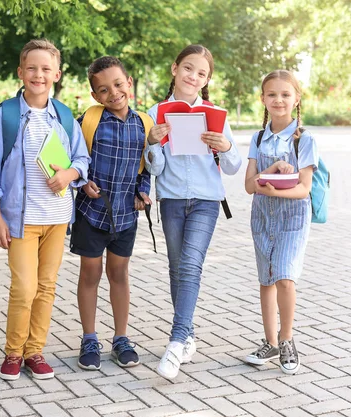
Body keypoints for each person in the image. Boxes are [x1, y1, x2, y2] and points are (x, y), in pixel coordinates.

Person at [0, 39, 90, 381]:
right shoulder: (7, 116)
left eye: (46, 69)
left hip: (57, 220)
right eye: (32, 68)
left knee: (46, 287)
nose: (38, 75)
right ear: (20, 72)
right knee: (24, 287)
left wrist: (69, 174)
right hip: (20, 221)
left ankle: (35, 352)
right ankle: (13, 352)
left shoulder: (65, 116)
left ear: (56, 74)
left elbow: (82, 159)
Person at [143, 44, 242, 379]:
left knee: (190, 265)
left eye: (202, 73)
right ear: (175, 69)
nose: (193, 77)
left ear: (207, 79)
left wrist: (225, 146)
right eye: (188, 68)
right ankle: (187, 335)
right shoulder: (155, 112)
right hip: (170, 199)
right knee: (176, 269)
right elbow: (154, 170)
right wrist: (153, 143)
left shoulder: (216, 114)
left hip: (205, 200)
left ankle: (175, 342)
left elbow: (232, 167)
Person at [72, 56, 152, 371]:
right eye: (103, 90)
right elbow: (75, 158)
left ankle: (121, 338)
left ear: (128, 82)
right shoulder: (89, 120)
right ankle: (89, 338)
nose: (113, 93)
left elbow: (145, 166)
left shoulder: (143, 123)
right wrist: (81, 182)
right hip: (90, 213)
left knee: (119, 275)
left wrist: (142, 192)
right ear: (95, 95)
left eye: (118, 84)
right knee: (90, 275)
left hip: (125, 217)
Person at [244, 70, 317, 375]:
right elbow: (249, 185)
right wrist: (272, 170)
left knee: (285, 277)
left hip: (293, 218)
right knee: (266, 279)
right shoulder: (257, 138)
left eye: (286, 94)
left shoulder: (305, 139)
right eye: (272, 94)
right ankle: (270, 342)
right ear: (263, 99)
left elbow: (304, 188)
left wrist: (271, 186)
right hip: (262, 217)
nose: (278, 100)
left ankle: (287, 339)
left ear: (296, 99)